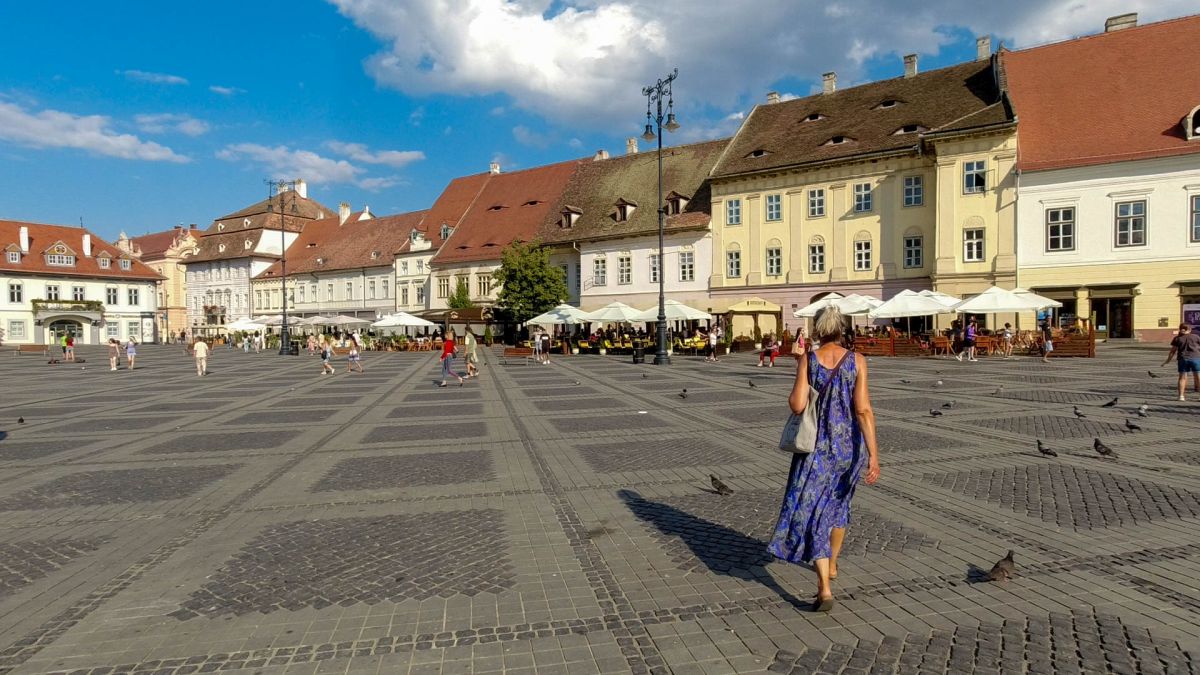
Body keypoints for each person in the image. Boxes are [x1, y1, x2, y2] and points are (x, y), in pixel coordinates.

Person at [769, 306, 880, 613]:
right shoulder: (857, 361)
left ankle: (824, 587)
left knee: (815, 514)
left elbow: (796, 405)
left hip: (817, 451)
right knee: (839, 507)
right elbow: (864, 410)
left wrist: (800, 371)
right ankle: (831, 564)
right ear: (843, 330)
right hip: (849, 451)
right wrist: (873, 455)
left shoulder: (809, 359)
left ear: (817, 330)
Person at [1162, 323, 1200, 401]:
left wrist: (1167, 361)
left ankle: (1181, 396)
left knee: (1182, 378)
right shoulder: (1196, 337)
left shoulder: (1177, 338)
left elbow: (1172, 351)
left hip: (1183, 359)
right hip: (1195, 359)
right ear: (1189, 330)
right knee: (1198, 377)